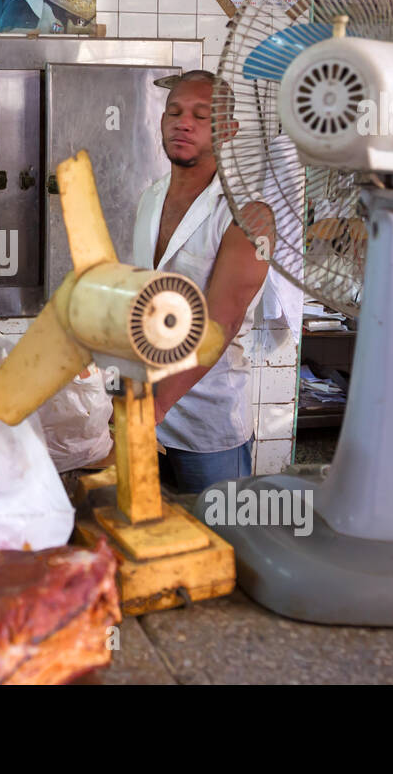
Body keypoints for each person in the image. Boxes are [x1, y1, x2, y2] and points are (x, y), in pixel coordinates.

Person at [132, 70, 275, 491]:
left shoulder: (249, 215)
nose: (183, 122)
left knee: (220, 541)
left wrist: (156, 406)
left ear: (227, 129)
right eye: (174, 112)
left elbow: (221, 324)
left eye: (201, 115)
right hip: (144, 411)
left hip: (206, 426)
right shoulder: (151, 198)